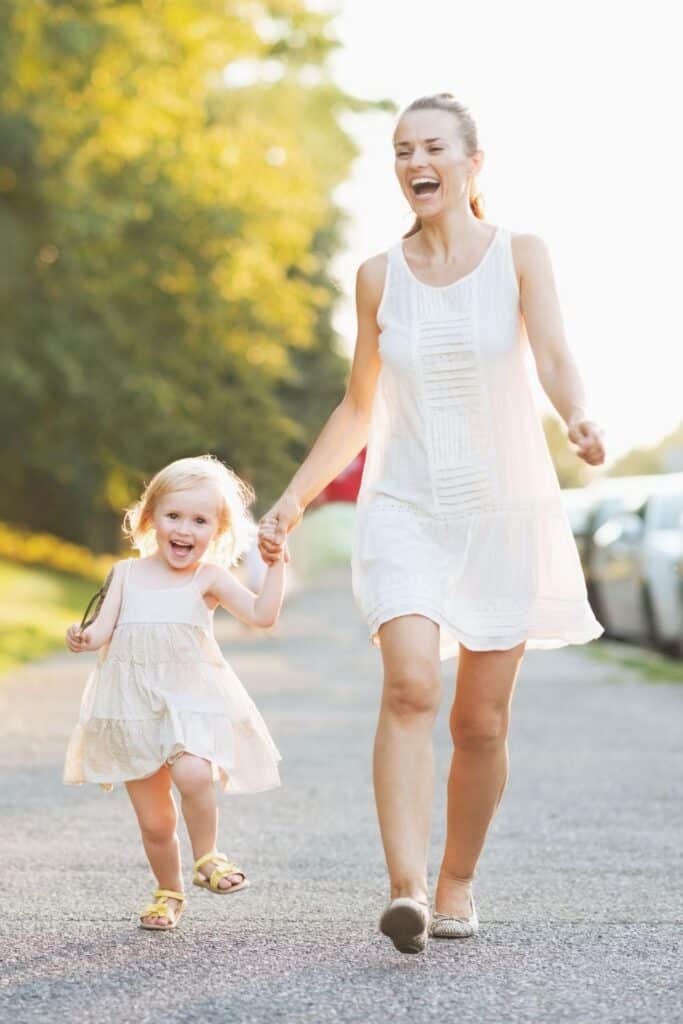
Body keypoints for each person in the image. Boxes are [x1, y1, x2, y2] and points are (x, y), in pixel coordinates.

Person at [257, 93, 606, 955]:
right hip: (406, 505)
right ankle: (406, 888)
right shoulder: (378, 275)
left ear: (471, 163)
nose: (416, 161)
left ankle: (457, 881)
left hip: (502, 508)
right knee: (410, 683)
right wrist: (293, 498)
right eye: (402, 149)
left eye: (433, 147)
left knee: (479, 724)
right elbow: (358, 405)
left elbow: (555, 356)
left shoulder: (520, 255)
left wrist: (579, 416)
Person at [64, 454, 286, 931]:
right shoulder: (125, 574)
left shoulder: (208, 577)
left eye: (200, 520)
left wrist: (277, 567)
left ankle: (208, 857)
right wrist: (81, 638)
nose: (185, 529)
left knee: (193, 773)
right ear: (151, 519)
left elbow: (262, 615)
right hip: (133, 712)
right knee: (156, 823)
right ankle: (169, 892)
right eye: (174, 516)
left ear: (218, 530)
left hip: (189, 704)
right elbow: (101, 631)